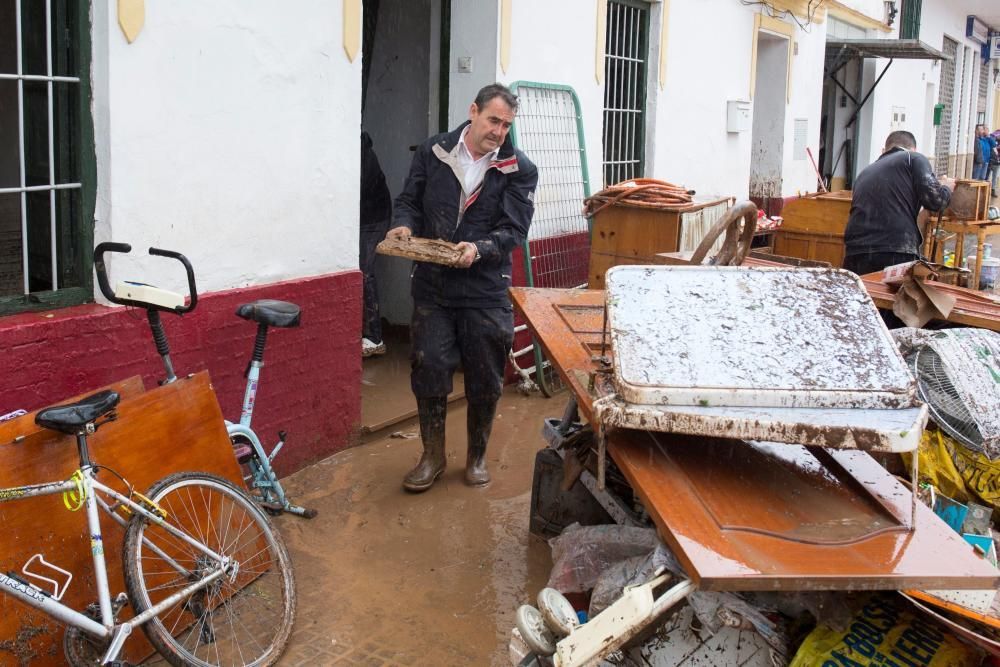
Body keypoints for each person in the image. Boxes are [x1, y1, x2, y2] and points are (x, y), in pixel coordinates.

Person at [386, 83, 538, 492]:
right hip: (434, 285)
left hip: (485, 287)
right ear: (473, 111)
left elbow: (514, 230)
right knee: (430, 366)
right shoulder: (435, 152)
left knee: (486, 375)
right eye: (493, 120)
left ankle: (476, 457)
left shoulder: (518, 169)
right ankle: (432, 456)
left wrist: (480, 248)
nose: (499, 132)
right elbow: (409, 201)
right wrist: (403, 225)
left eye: (506, 125)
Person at [843, 130, 954, 277]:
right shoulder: (913, 158)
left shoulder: (865, 172)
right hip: (894, 249)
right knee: (895, 298)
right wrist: (946, 187)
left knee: (865, 298)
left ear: (885, 149)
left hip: (855, 252)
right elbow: (936, 201)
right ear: (913, 149)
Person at [360, 131, 392, 357]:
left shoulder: (360, 152)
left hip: (373, 217)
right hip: (364, 215)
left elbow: (357, 189)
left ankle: (374, 337)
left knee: (364, 271)